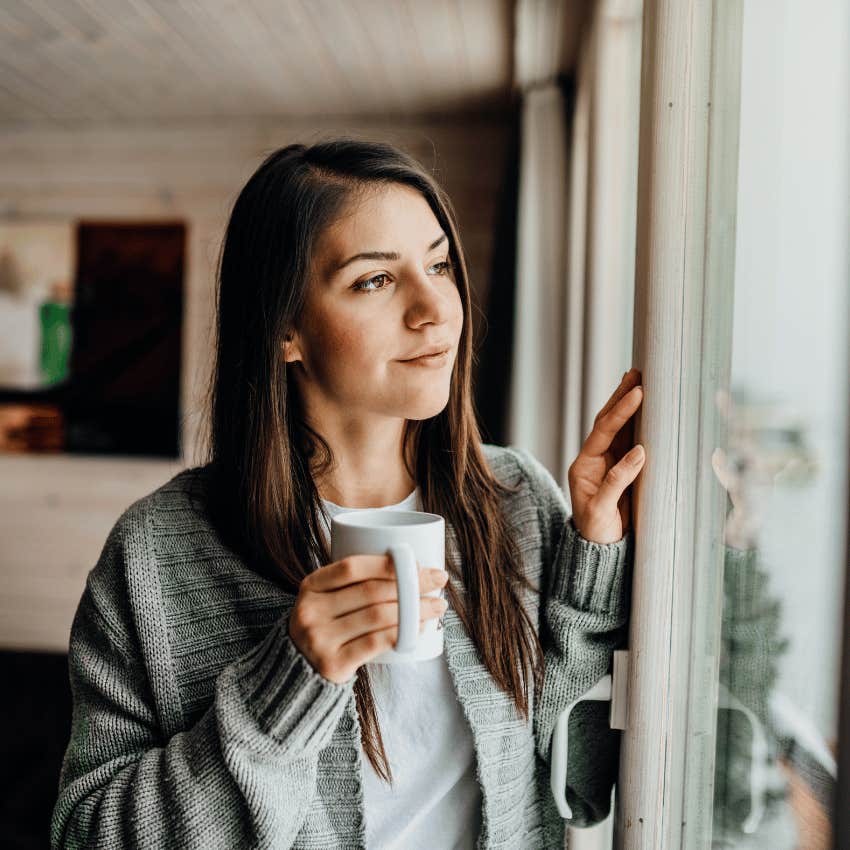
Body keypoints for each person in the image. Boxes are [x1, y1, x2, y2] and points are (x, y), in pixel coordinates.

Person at [49, 138, 646, 849]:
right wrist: (289, 684)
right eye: (374, 281)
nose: (435, 310)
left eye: (439, 264)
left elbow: (582, 790)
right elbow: (88, 838)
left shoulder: (517, 499)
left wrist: (594, 561)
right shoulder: (158, 552)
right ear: (284, 329)